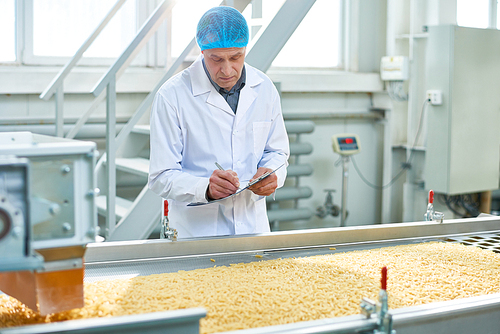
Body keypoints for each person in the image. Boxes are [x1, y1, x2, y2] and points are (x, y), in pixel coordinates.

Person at [148, 6, 289, 238]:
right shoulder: (172, 95)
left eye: (236, 57)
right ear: (202, 52)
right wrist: (205, 189)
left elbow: (277, 152)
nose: (227, 70)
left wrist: (272, 174)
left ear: (245, 49)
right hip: (195, 234)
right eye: (216, 59)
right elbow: (160, 175)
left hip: (252, 228)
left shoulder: (264, 88)